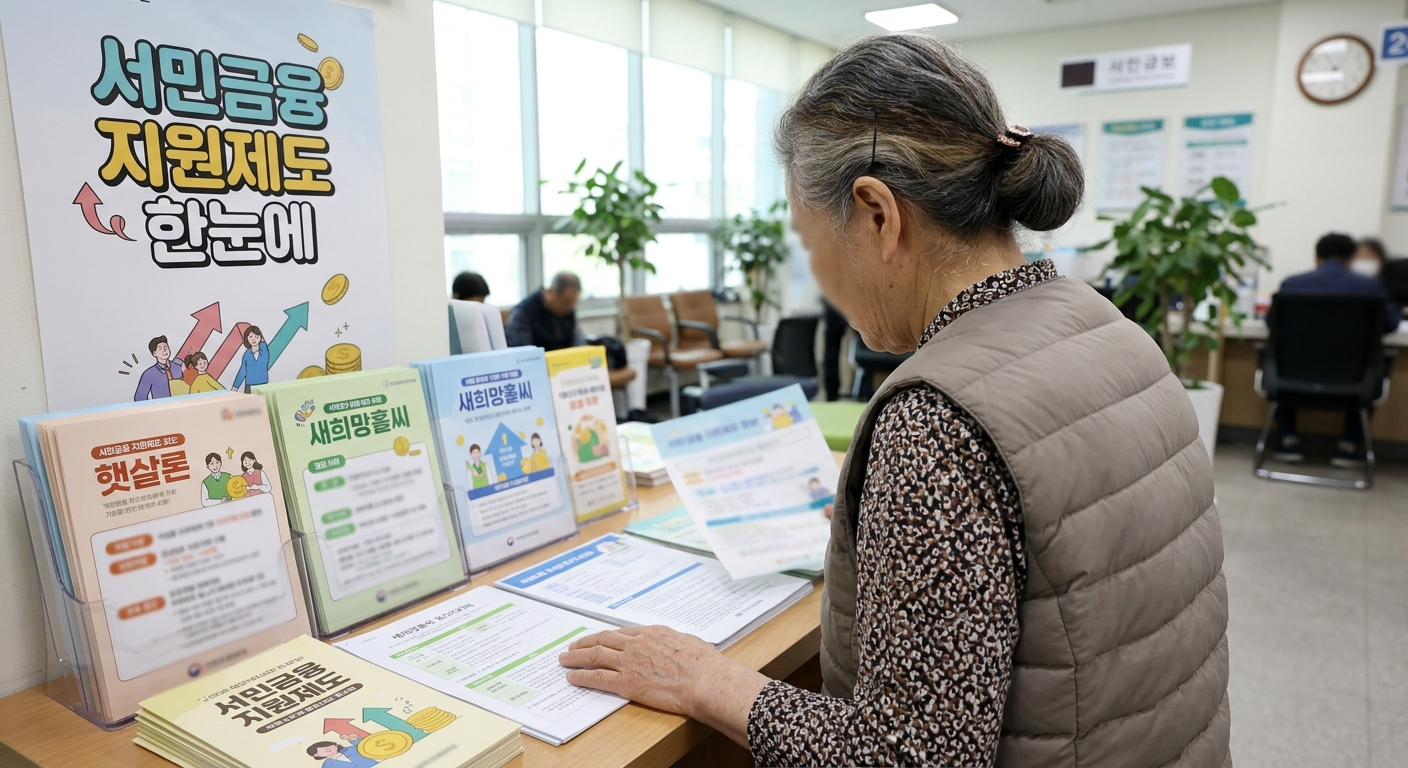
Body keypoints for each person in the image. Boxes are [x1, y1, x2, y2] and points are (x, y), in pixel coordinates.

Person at [558, 33, 1228, 767]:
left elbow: (907, 759)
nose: (820, 277)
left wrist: (708, 678)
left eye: (814, 240)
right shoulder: (1109, 328)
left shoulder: (939, 423)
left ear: (877, 214)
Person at [1274, 233, 1401, 466]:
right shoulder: (1371, 287)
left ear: (1317, 258)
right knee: (1365, 366)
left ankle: (1287, 440)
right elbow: (1392, 324)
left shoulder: (1292, 284)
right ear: (1352, 259)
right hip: (1354, 385)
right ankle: (1348, 446)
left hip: (1290, 382)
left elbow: (1272, 323)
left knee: (1284, 359)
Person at [505, 272, 586, 351]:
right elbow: (522, 351)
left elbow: (578, 343)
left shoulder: (568, 310)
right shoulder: (524, 311)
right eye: (565, 303)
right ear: (551, 292)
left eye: (573, 303)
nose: (569, 308)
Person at [133, 335, 183, 400]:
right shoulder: (148, 374)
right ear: (154, 353)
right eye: (160, 349)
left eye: (165, 347)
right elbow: (139, 397)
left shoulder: (179, 368)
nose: (164, 351)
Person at [231, 325, 270, 393]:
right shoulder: (247, 354)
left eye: (256, 336)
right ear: (247, 339)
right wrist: (235, 386)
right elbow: (243, 370)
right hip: (249, 386)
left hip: (263, 384)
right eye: (250, 336)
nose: (253, 339)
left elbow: (263, 344)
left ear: (260, 338)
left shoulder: (264, 352)